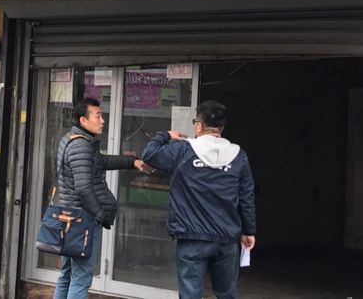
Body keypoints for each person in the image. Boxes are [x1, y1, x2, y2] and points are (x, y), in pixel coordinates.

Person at [142, 100, 256, 299]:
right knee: (227, 294)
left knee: (190, 295)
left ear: (199, 126)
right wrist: (249, 231)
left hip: (192, 237)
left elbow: (149, 155)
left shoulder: (183, 151)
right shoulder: (239, 156)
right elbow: (246, 197)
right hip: (227, 238)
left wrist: (166, 135)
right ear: (221, 127)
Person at [54, 97, 152, 299]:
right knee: (80, 278)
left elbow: (100, 162)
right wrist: (100, 215)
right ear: (83, 120)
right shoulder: (81, 146)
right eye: (98, 116)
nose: (103, 120)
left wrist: (132, 162)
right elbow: (83, 189)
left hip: (70, 218)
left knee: (67, 275)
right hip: (82, 221)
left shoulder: (74, 139)